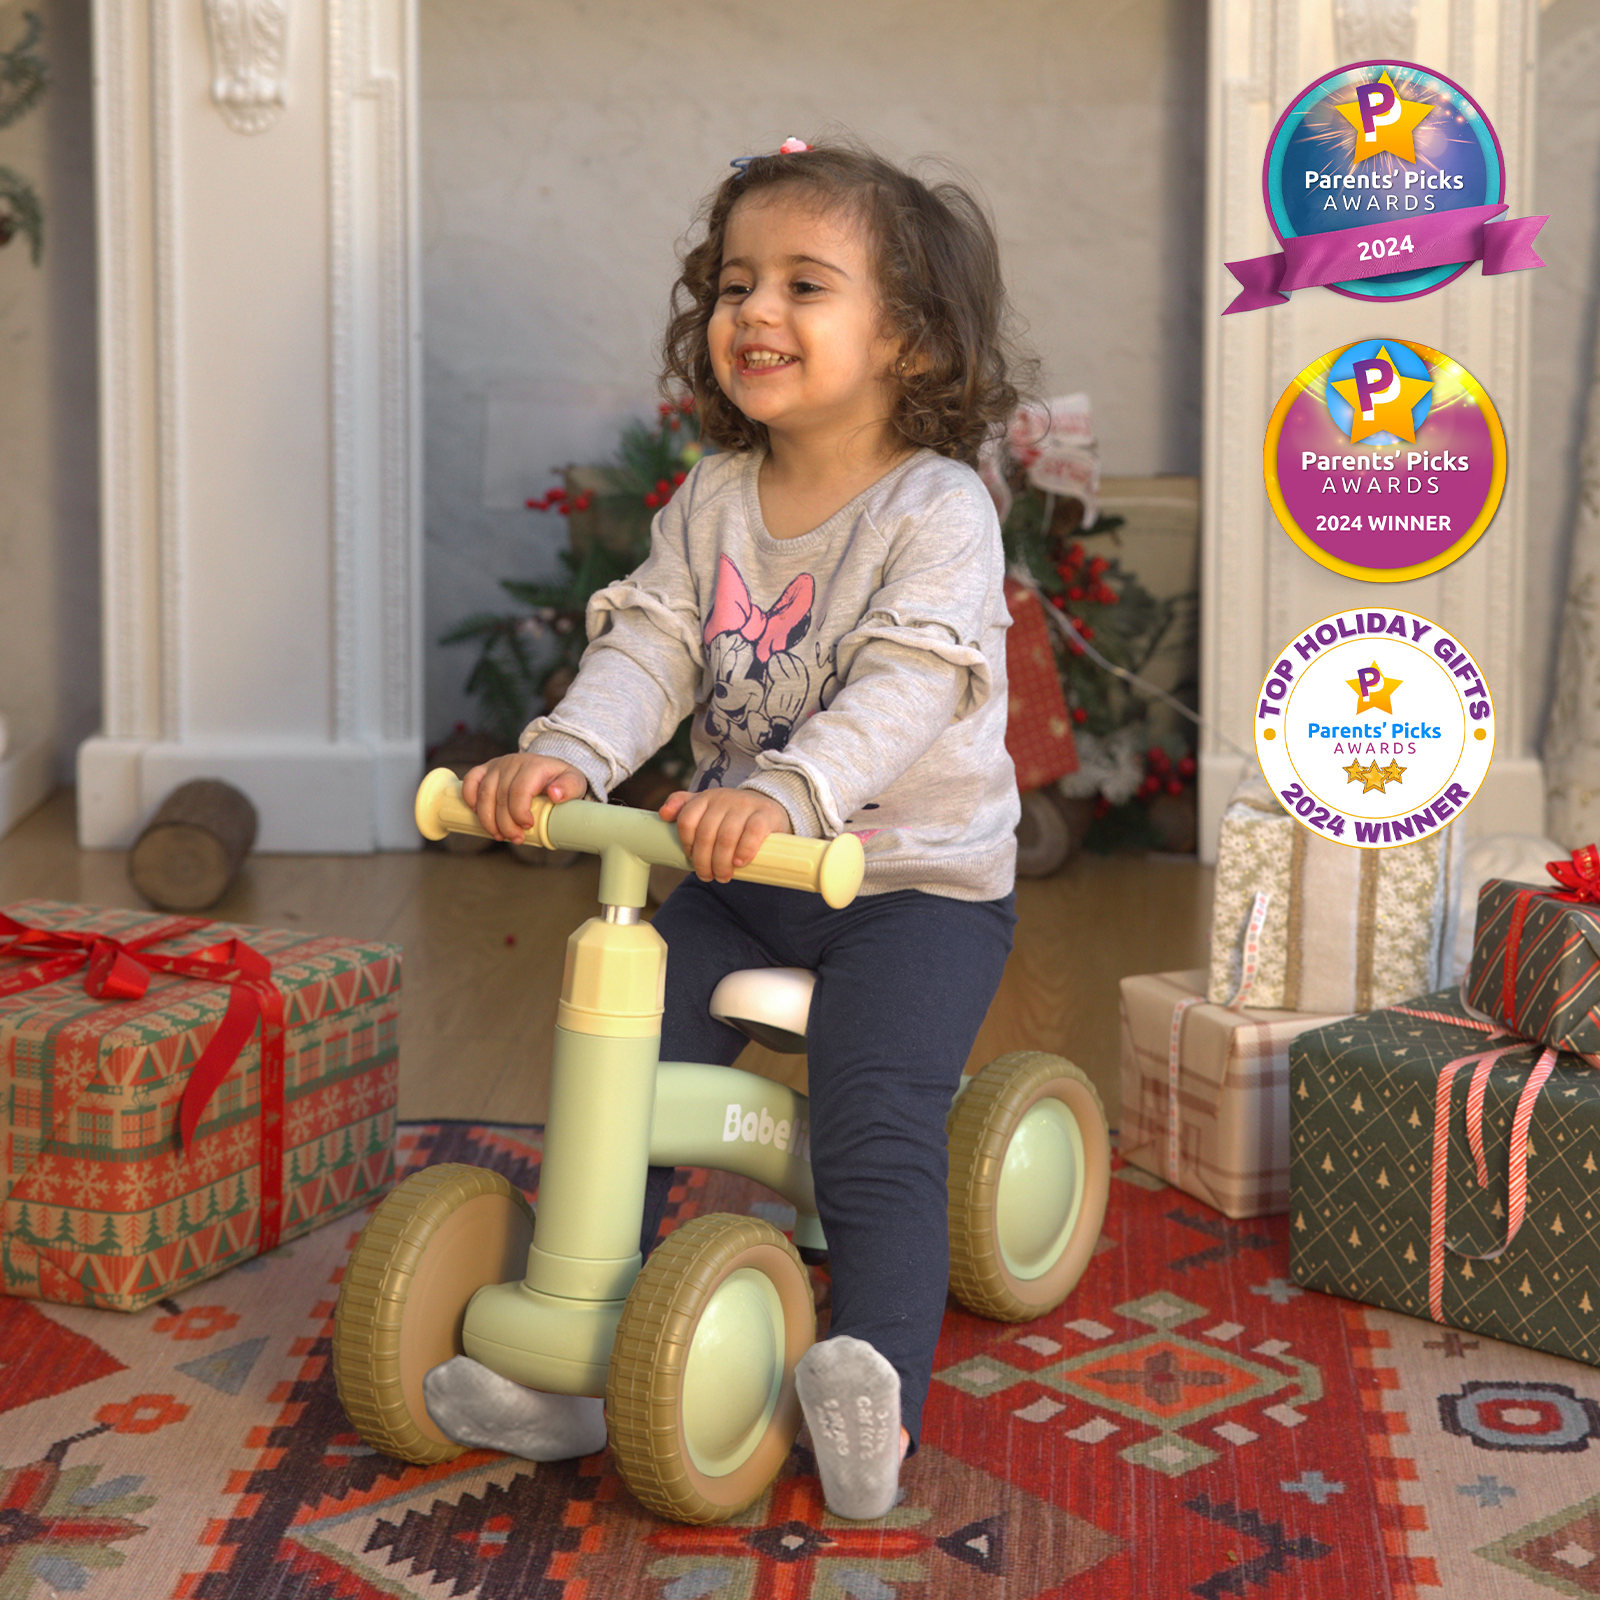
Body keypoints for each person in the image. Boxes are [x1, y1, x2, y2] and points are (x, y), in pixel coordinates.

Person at [433, 135, 1032, 1521]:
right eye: (734, 283)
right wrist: (565, 757)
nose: (755, 310)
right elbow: (651, 648)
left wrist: (782, 792)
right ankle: (583, 1356)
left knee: (876, 1123)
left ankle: (873, 1386)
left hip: (908, 887)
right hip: (739, 877)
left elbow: (906, 686)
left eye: (805, 285)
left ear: (909, 342)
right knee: (618, 1080)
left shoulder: (938, 508)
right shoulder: (712, 498)